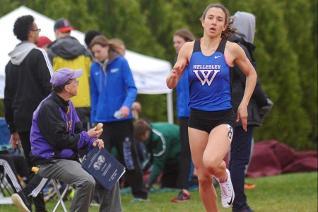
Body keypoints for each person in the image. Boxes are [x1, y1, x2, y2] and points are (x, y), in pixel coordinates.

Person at [166, 3, 257, 211]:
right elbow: (171, 84)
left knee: (211, 161)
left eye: (219, 19)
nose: (214, 22)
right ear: (202, 21)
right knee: (203, 177)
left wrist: (243, 104)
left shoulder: (231, 49)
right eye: (210, 18)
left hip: (222, 117)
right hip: (196, 118)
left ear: (225, 25)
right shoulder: (188, 49)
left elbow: (252, 74)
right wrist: (173, 75)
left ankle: (224, 178)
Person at [12, 68, 122, 212]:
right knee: (86, 181)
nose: (77, 83)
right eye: (75, 81)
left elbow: (77, 133)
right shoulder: (48, 107)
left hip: (69, 157)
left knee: (111, 175)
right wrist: (87, 136)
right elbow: (59, 141)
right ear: (67, 87)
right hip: (51, 160)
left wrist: (92, 141)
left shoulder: (68, 104)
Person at [89, 35, 148, 200]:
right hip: (102, 121)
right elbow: (94, 94)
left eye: (98, 51)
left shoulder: (121, 63)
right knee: (100, 158)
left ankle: (140, 194)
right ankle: (99, 196)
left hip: (122, 121)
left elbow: (132, 88)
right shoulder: (93, 67)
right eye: (93, 53)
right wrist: (94, 118)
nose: (96, 55)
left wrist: (126, 106)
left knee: (128, 156)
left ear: (107, 48)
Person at [4, 14, 53, 211]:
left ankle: (39, 208)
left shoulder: (9, 64)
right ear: (30, 32)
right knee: (49, 163)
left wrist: (12, 128)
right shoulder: (38, 54)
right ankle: (25, 196)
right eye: (37, 29)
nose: (38, 33)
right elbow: (52, 87)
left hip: (21, 121)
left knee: (34, 164)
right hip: (41, 119)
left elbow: (8, 98)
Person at [228, 11, 273, 212]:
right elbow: (250, 79)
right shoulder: (240, 47)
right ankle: (240, 205)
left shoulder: (227, 45)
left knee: (234, 160)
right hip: (243, 110)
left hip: (231, 108)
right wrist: (264, 102)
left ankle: (237, 203)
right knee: (238, 160)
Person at [47, 18, 91, 129]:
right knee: (83, 140)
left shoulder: (51, 52)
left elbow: (48, 78)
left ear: (56, 32)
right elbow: (90, 75)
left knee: (64, 142)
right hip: (83, 103)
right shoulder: (85, 51)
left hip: (62, 102)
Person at [171, 28, 195, 202]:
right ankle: (184, 189)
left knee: (204, 152)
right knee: (185, 152)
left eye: (178, 42)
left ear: (187, 42)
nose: (175, 45)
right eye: (174, 42)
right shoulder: (178, 63)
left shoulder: (198, 60)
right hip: (183, 114)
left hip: (200, 112)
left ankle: (219, 179)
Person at [134, 119, 181, 189]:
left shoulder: (160, 137)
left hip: (180, 153)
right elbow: (150, 159)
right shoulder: (148, 137)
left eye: (142, 137)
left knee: (179, 186)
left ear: (147, 132)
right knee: (166, 185)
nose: (142, 140)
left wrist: (148, 184)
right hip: (169, 159)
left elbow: (158, 163)